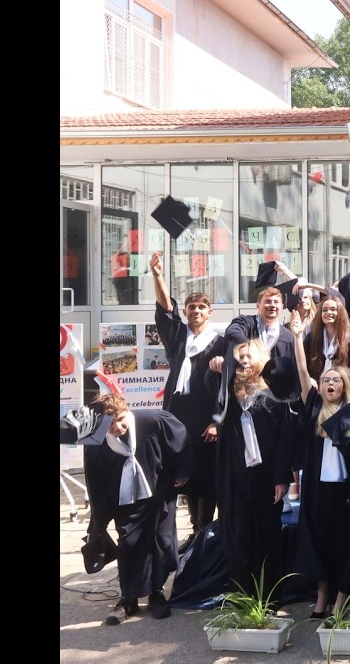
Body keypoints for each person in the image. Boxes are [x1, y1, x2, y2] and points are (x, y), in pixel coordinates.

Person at [290, 321, 350, 619]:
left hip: (344, 490)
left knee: (344, 545)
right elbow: (302, 373)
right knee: (318, 544)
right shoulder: (313, 407)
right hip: (317, 489)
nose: (330, 385)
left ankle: (341, 597)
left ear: (344, 386)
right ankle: (322, 594)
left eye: (336, 381)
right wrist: (298, 337)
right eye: (326, 381)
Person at [82, 393, 189, 621]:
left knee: (161, 542)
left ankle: (156, 593)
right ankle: (129, 598)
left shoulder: (152, 420)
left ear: (126, 410)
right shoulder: (96, 441)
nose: (117, 427)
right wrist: (99, 520)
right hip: (125, 500)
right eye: (108, 424)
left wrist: (182, 472)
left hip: (159, 493)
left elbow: (180, 440)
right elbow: (96, 479)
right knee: (129, 544)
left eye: (120, 419)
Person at [212, 338, 296, 602]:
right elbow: (210, 383)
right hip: (235, 476)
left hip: (266, 476)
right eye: (240, 358)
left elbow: (285, 440)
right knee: (238, 535)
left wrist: (282, 479)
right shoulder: (228, 394)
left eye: (249, 356)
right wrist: (220, 369)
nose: (244, 362)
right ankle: (242, 593)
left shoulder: (274, 395)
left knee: (267, 536)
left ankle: (269, 595)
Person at [149, 251, 223, 537]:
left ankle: (206, 529)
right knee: (185, 476)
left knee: (207, 475)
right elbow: (165, 308)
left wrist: (218, 421)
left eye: (201, 307)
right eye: (191, 307)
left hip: (207, 420)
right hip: (178, 418)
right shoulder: (179, 338)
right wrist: (157, 275)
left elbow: (227, 388)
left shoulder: (219, 343)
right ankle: (194, 531)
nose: (195, 311)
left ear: (209, 312)